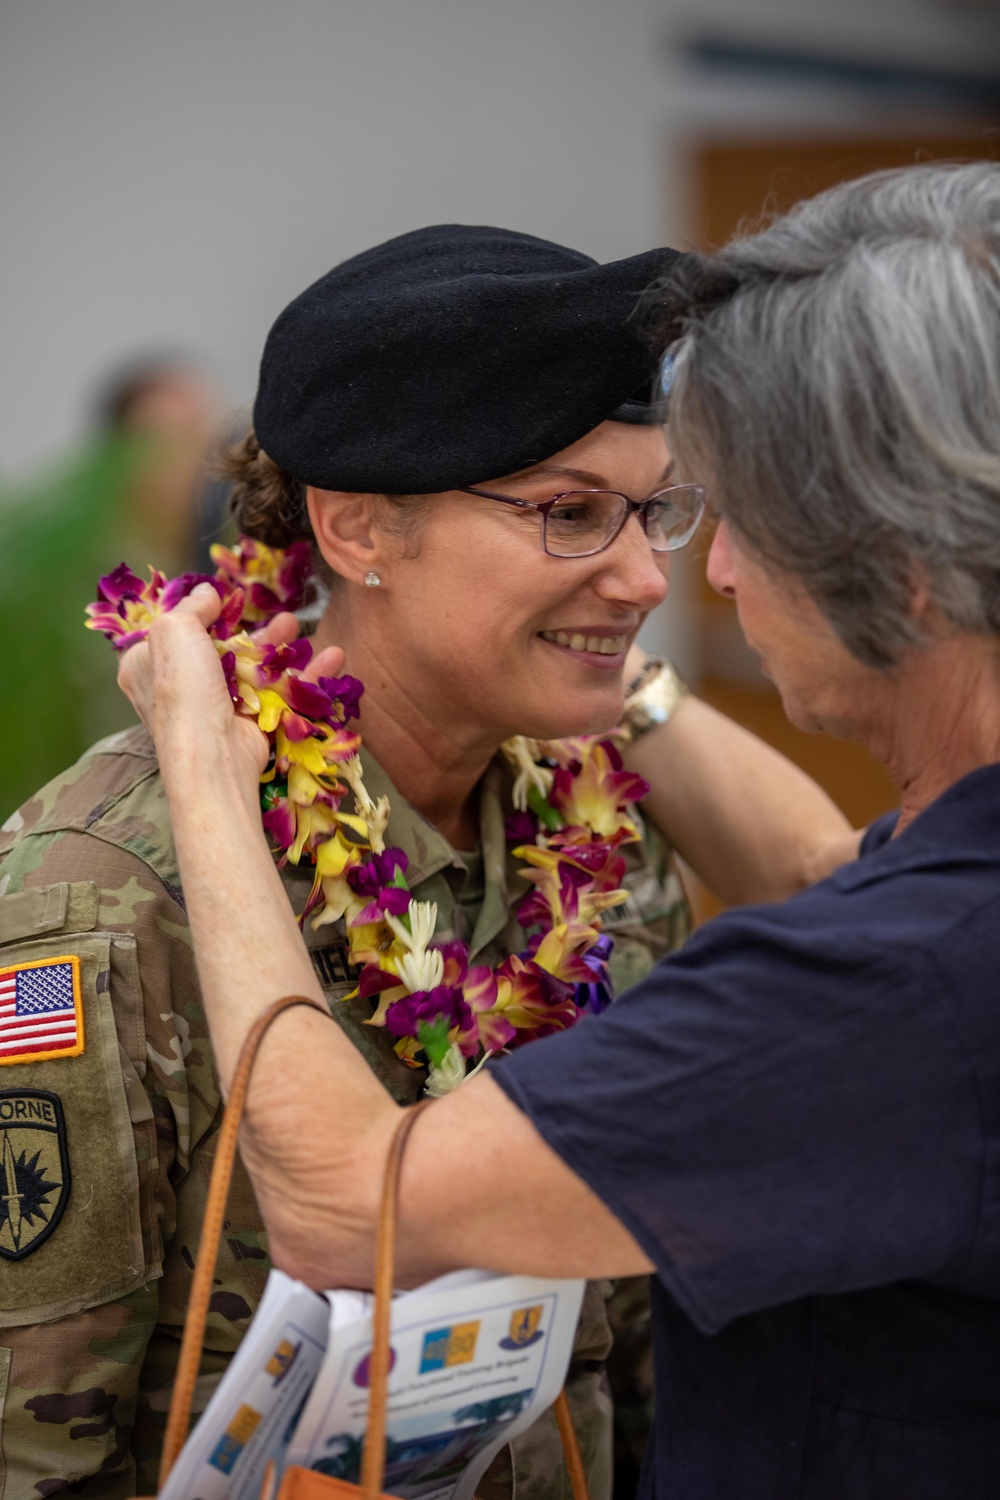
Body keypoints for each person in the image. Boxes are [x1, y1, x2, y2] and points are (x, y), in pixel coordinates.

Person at [111, 162, 1000, 1497]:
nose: (680, 574)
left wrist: (202, 762)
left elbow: (359, 1204)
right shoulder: (105, 883)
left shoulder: (705, 885)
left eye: (686, 512)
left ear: (912, 568)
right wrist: (604, 678)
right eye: (572, 514)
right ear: (356, 528)